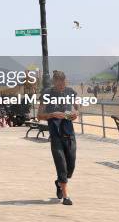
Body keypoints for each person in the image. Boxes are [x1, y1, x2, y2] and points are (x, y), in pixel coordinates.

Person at [37, 70, 79, 206]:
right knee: (61, 165)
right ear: (54, 82)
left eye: (64, 84)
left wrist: (73, 114)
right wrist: (53, 114)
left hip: (69, 134)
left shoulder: (70, 92)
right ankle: (66, 196)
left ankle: (59, 182)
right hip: (55, 135)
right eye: (59, 85)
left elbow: (77, 110)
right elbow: (40, 115)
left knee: (70, 166)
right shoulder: (47, 94)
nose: (62, 87)